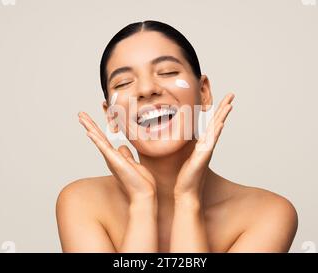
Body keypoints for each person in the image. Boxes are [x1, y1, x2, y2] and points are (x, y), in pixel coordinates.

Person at [56, 20, 298, 253]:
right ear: (111, 117)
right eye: (124, 82)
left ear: (203, 92)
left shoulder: (268, 214)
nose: (146, 89)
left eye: (167, 71)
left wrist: (188, 200)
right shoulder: (82, 203)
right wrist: (142, 203)